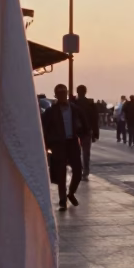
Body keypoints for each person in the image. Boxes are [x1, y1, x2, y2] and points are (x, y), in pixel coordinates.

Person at [41, 83, 89, 211]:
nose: (62, 95)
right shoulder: (50, 112)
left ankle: (71, 192)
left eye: (64, 93)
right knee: (60, 173)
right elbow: (43, 129)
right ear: (56, 95)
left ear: (67, 94)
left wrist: (85, 135)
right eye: (59, 93)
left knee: (78, 171)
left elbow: (85, 124)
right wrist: (47, 144)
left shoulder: (75, 109)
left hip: (72, 143)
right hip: (58, 145)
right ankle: (62, 200)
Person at [75, 85, 100, 180]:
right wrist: (95, 133)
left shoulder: (74, 103)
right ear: (85, 92)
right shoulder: (90, 104)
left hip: (76, 132)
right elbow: (95, 119)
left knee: (76, 153)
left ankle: (79, 170)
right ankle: (85, 171)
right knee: (86, 153)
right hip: (87, 132)